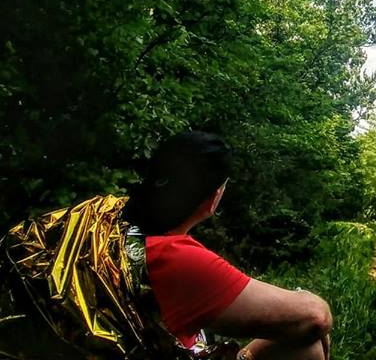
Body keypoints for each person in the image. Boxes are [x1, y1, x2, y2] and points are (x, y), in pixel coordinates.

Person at [123, 131, 334, 360]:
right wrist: (303, 296)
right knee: (308, 343)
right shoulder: (173, 258)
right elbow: (316, 318)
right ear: (214, 197)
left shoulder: (106, 219)